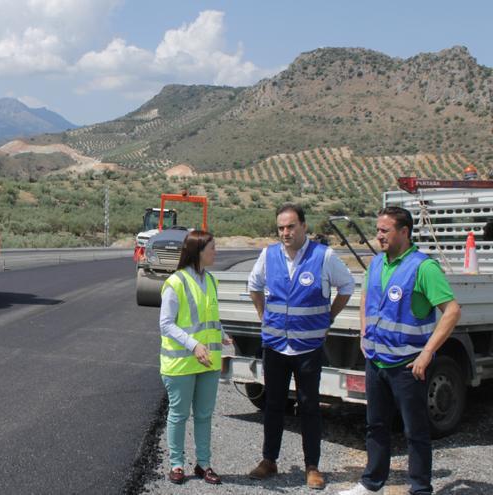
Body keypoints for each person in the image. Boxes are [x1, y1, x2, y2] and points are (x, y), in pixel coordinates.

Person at [339, 207, 461, 495]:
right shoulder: (377, 264)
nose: (378, 235)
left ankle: (420, 489)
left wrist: (427, 352)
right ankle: (372, 484)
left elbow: (452, 311)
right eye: (377, 229)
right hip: (376, 362)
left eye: (384, 230)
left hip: (407, 365)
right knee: (376, 426)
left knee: (415, 432)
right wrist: (363, 334)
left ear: (404, 232)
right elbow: (367, 297)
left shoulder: (423, 267)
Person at [247, 203, 354, 490]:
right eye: (281, 227)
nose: (285, 232)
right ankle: (269, 460)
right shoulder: (268, 255)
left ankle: (312, 467)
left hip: (308, 347)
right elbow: (253, 286)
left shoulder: (324, 256)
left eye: (291, 226)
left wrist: (329, 316)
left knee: (309, 407)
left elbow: (347, 286)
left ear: (303, 226)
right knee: (273, 405)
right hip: (276, 347)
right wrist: (262, 315)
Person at [159, 230, 229, 485]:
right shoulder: (176, 282)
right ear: (198, 251)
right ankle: (177, 464)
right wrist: (194, 345)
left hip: (207, 361)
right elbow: (166, 324)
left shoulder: (210, 280)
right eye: (212, 248)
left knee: (203, 415)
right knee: (178, 415)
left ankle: (204, 464)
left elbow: (209, 317)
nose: (215, 252)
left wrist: (222, 333)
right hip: (181, 363)